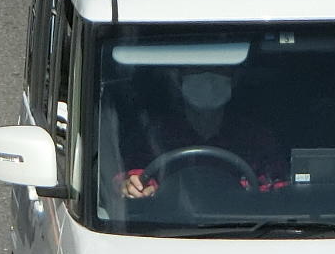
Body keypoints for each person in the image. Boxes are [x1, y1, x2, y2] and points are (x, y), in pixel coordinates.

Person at [116, 65, 289, 200]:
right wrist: (135, 187)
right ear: (178, 78)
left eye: (218, 68)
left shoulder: (256, 137)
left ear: (234, 78)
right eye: (197, 68)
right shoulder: (155, 135)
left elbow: (279, 188)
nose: (208, 77)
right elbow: (133, 175)